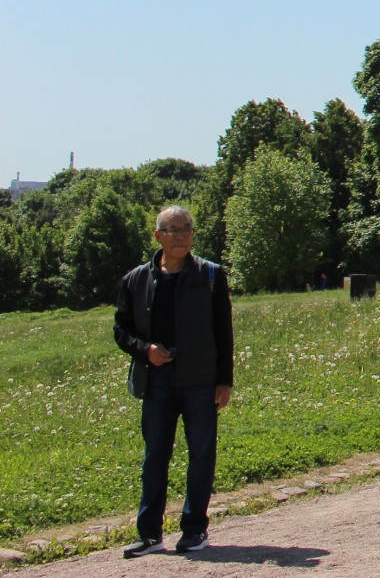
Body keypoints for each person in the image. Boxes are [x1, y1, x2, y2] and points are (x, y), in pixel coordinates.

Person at [114, 205, 234, 557]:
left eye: (186, 228)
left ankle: (194, 530)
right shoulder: (135, 279)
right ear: (158, 236)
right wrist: (145, 350)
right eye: (172, 228)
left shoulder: (211, 275)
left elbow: (223, 332)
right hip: (157, 380)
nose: (180, 234)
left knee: (201, 455)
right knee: (155, 457)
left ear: (193, 234)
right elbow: (121, 329)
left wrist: (224, 380)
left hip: (201, 379)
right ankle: (149, 534)